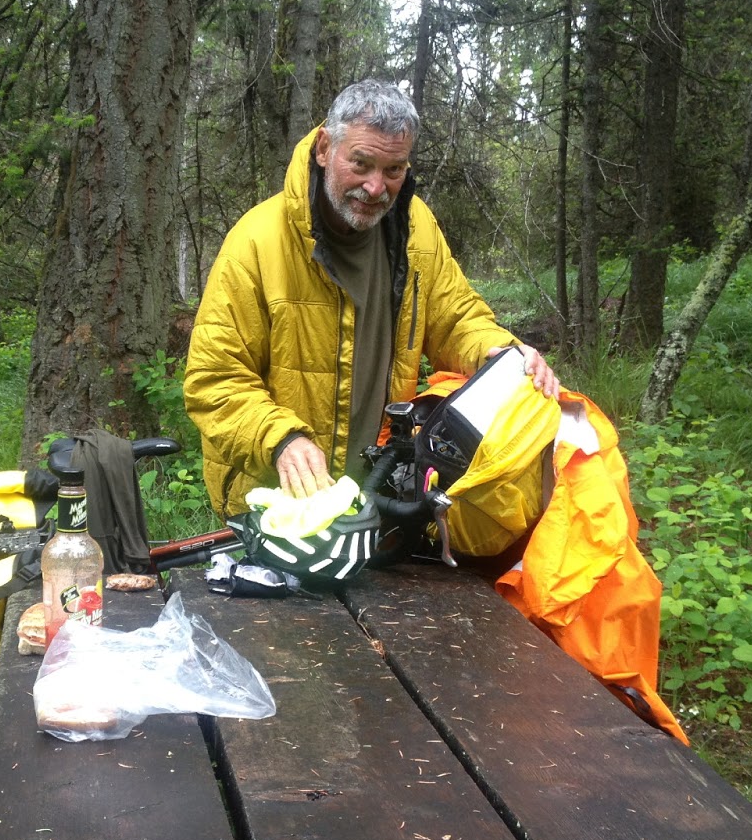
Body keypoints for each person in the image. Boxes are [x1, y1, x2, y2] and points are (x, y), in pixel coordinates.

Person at [183, 79, 559, 516]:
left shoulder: (414, 228)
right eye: (360, 164)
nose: (376, 187)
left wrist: (496, 351)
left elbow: (456, 318)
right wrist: (280, 439)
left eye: (394, 170)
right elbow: (214, 379)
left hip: (378, 495)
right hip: (277, 504)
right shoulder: (256, 242)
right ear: (325, 148)